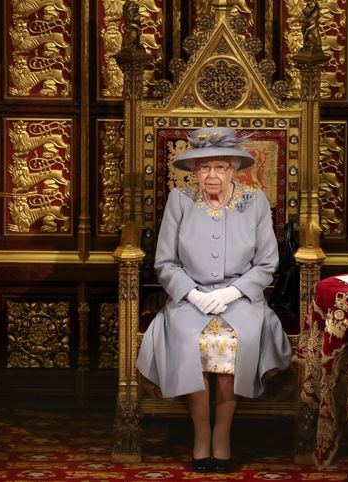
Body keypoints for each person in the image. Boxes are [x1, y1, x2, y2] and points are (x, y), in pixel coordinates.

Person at [136, 127, 292, 473]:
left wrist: (232, 292)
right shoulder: (180, 201)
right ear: (194, 171)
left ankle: (222, 434)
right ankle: (201, 434)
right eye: (204, 167)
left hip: (241, 299)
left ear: (234, 168)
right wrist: (191, 293)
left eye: (220, 167)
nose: (211, 175)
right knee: (192, 339)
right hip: (188, 298)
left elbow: (268, 263)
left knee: (233, 342)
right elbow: (164, 262)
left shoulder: (255, 202)